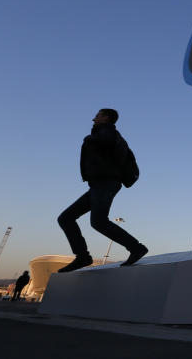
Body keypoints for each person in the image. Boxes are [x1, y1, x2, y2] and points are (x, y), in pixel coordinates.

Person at [57, 109, 147, 272]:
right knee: (66, 218)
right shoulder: (103, 134)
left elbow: (107, 143)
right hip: (98, 184)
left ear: (106, 118)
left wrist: (91, 139)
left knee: (98, 221)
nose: (94, 118)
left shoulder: (109, 133)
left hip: (107, 182)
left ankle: (136, 248)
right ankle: (82, 256)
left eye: (98, 115)